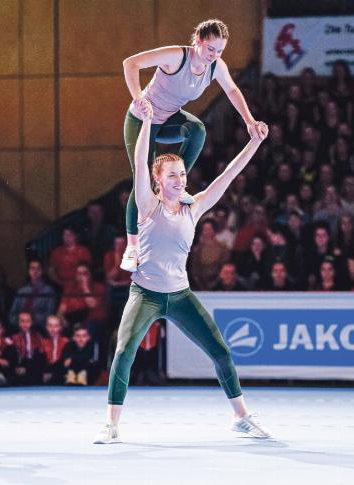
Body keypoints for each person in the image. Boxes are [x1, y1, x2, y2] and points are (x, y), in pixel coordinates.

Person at [94, 100, 270, 444]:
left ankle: (241, 417)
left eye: (183, 174)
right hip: (144, 294)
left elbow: (229, 176)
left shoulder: (195, 207)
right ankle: (111, 424)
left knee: (220, 351)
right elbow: (139, 160)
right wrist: (146, 123)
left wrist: (254, 143)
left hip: (181, 295)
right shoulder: (147, 204)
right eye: (172, 175)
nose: (180, 179)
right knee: (124, 351)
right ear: (157, 180)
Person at [119, 19, 265, 271]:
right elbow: (130, 63)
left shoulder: (215, 66)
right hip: (142, 119)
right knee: (140, 178)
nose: (214, 56)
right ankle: (132, 247)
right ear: (197, 41)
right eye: (210, 49)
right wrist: (139, 98)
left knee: (197, 129)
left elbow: (232, 90)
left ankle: (173, 183)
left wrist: (249, 121)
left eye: (219, 51)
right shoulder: (177, 57)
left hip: (168, 123)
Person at [9, 260, 57, 329]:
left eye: (38, 268)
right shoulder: (21, 291)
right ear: (29, 271)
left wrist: (31, 321)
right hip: (20, 327)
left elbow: (49, 314)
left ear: (42, 271)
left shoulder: (48, 290)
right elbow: (12, 314)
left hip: (39, 327)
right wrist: (20, 322)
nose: (35, 271)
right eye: (32, 268)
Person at [11, 311, 45, 385]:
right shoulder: (14, 338)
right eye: (22, 321)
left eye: (28, 321)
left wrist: (27, 369)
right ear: (18, 323)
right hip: (19, 368)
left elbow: (41, 358)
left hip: (34, 369)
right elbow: (13, 358)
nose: (25, 324)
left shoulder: (38, 337)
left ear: (32, 322)